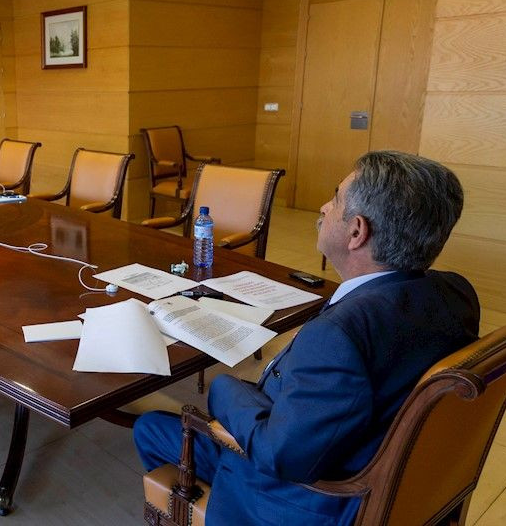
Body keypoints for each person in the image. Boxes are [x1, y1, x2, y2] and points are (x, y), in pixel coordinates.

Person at [134, 150, 480, 526]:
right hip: (392, 472)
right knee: (154, 426)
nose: (324, 207)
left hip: (308, 499)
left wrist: (224, 388)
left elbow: (281, 456)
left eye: (335, 198)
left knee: (151, 428)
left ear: (357, 232)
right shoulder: (456, 293)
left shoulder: (338, 336)